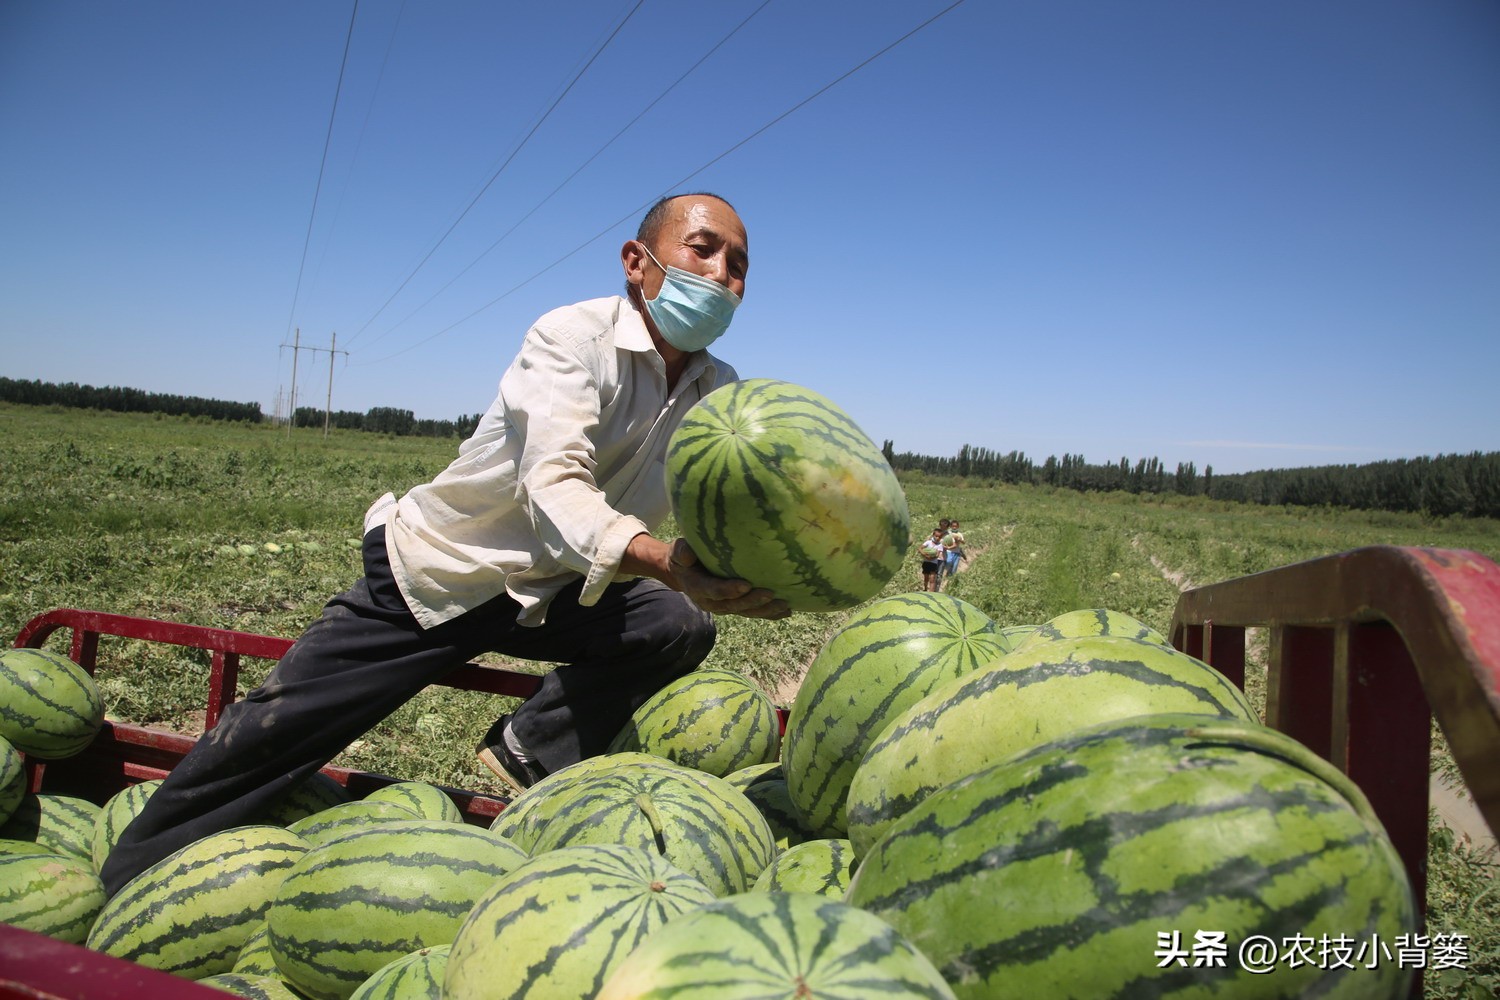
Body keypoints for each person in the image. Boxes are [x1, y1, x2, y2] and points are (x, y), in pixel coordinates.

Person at [99, 193, 788, 897]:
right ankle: (127, 882)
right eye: (702, 250)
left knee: (674, 621)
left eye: (737, 265)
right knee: (269, 738)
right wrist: (664, 561)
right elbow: (553, 482)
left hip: (556, 591)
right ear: (637, 263)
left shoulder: (717, 391)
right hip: (443, 575)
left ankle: (529, 749)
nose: (721, 275)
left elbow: (716, 506)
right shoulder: (572, 338)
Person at [919, 527, 946, 592]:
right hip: (926, 562)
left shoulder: (940, 545)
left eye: (939, 537)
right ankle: (925, 589)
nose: (937, 538)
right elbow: (920, 548)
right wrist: (924, 554)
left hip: (933, 563)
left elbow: (937, 555)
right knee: (926, 578)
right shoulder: (928, 542)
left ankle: (931, 593)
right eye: (936, 536)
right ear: (933, 535)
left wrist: (931, 558)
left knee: (932, 579)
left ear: (941, 538)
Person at [942, 518, 966, 583]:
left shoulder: (959, 534)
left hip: (957, 552)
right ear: (950, 526)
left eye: (956, 526)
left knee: (954, 567)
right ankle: (947, 575)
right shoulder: (948, 533)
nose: (954, 527)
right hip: (949, 551)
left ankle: (951, 580)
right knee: (949, 562)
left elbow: (963, 542)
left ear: (958, 526)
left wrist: (959, 539)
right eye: (953, 526)